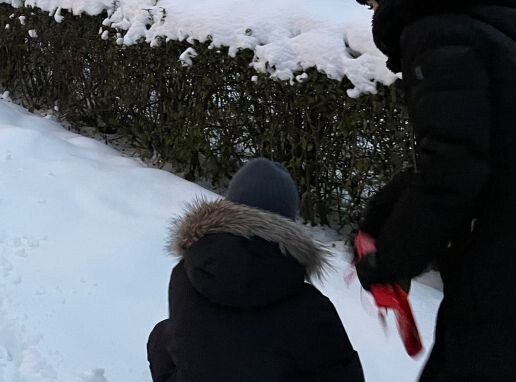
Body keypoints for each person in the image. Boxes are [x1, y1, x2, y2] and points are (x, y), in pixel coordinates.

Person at [352, 0, 516, 381]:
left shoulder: (435, 35)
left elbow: (454, 170)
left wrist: (390, 260)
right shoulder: (497, 29)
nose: (374, 17)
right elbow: (477, 148)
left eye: (373, 4)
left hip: (509, 268)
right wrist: (385, 212)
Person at [147, 158, 364, 381]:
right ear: (287, 221)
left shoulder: (185, 274)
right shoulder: (312, 307)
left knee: (162, 336)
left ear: (229, 205)